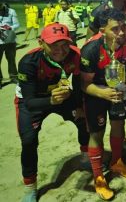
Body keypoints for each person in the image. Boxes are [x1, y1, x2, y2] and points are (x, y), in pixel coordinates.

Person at [80, 8, 126, 200]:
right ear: (102, 30)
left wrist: (124, 88)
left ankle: (117, 162)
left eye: (123, 28)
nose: (121, 33)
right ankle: (99, 177)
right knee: (97, 133)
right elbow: (84, 84)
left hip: (118, 91)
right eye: (115, 29)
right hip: (96, 93)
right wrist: (103, 93)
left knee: (118, 125)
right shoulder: (90, 49)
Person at [15, 23, 89, 202]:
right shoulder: (28, 62)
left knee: (84, 119)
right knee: (29, 141)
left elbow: (78, 83)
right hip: (34, 101)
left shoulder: (75, 55)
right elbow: (30, 102)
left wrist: (79, 106)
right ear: (41, 43)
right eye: (53, 44)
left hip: (60, 95)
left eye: (64, 44)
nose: (60, 50)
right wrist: (50, 100)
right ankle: (30, 187)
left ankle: (86, 156)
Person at [0, 2, 20, 86]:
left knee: (11, 60)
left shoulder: (11, 11)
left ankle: (13, 77)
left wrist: (10, 27)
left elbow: (17, 24)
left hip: (10, 40)